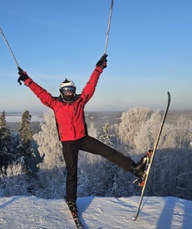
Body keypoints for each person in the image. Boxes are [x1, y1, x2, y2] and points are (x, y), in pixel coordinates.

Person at [18, 54, 147, 213]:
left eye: (71, 90)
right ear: (61, 91)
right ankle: (71, 202)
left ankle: (135, 169)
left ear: (74, 90)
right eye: (65, 90)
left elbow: (91, 85)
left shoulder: (80, 101)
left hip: (83, 139)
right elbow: (40, 92)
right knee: (72, 173)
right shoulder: (55, 104)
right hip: (68, 144)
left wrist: (98, 68)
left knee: (107, 151)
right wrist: (27, 79)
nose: (68, 93)